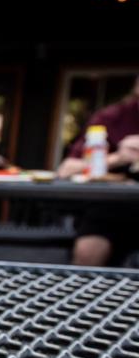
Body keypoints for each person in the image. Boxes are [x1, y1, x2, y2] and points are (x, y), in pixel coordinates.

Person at [57, 77, 139, 266]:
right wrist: (118, 157)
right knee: (88, 250)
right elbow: (66, 169)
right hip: (114, 207)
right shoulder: (112, 117)